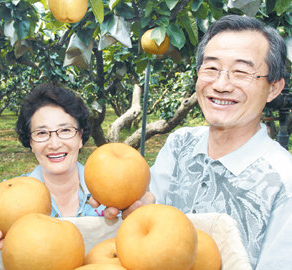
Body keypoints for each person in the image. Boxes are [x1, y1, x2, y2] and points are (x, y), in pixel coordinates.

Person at [101, 15, 292, 269]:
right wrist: (130, 203)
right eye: (211, 68)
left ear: (273, 88)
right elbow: (151, 211)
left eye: (242, 71)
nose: (221, 84)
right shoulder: (180, 144)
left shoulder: (283, 183)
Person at [0, 83, 105, 270]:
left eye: (65, 130)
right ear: (31, 142)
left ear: (80, 137)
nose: (54, 143)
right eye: (41, 133)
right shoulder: (10, 197)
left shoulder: (107, 191)